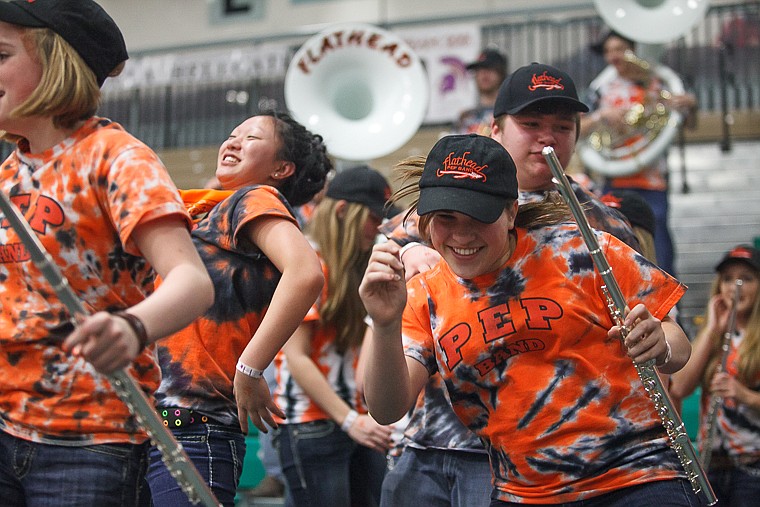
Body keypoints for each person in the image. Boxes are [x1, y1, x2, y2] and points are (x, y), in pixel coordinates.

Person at [360, 133, 699, 506]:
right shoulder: (424, 293)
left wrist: (661, 343)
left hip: (637, 478)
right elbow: (387, 408)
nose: (461, 233)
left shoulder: (583, 251)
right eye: (446, 218)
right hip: (523, 493)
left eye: (478, 217)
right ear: (425, 222)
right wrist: (385, 326)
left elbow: (677, 345)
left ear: (510, 212)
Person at [377, 62, 643, 507]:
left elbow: (647, 328)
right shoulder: (432, 205)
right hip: (427, 441)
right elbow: (381, 271)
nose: (548, 137)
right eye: (531, 124)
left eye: (563, 126)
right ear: (496, 129)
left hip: (531, 464)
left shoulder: (604, 224)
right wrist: (404, 252)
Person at [0, 1, 215, 505]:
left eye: (2, 54)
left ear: (55, 64)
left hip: (92, 440)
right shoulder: (8, 172)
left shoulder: (117, 158)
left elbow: (192, 281)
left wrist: (131, 326)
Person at [146, 111, 331, 506]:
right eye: (232, 135)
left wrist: (250, 368)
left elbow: (305, 273)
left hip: (191, 431)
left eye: (251, 138)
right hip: (151, 426)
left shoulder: (254, 198)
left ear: (281, 168)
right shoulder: (208, 209)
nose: (232, 142)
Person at [273, 165, 396, 507]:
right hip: (314, 423)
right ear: (344, 211)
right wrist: (349, 418)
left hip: (354, 420)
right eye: (373, 218)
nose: (378, 228)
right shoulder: (307, 262)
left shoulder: (355, 263)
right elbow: (295, 356)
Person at [580, 30, 698, 277]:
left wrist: (690, 106)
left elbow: (688, 125)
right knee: (616, 247)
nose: (614, 55)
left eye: (620, 49)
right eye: (609, 50)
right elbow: (578, 128)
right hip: (614, 178)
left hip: (652, 180)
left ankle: (669, 307)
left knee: (660, 247)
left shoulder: (659, 85)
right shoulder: (601, 89)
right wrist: (603, 115)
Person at [670, 245, 760, 506]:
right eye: (728, 279)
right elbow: (679, 388)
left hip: (753, 469)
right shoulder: (714, 334)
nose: (735, 286)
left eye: (746, 279)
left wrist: (744, 395)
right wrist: (711, 329)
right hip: (712, 468)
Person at [455, 48, 508, 136]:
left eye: (490, 68)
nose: (484, 73)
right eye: (478, 69)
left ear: (501, 73)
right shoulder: (464, 117)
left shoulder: (509, 114)